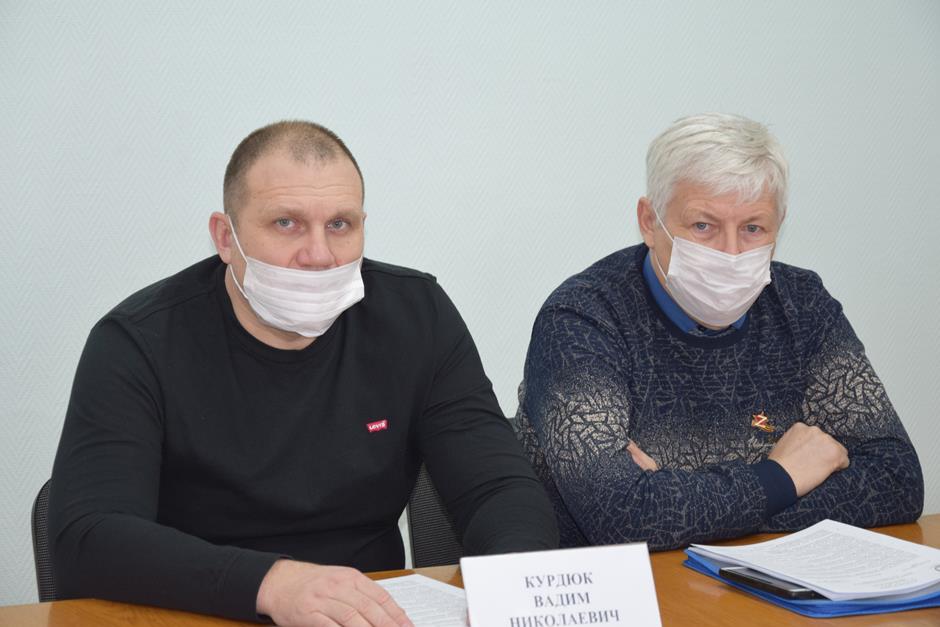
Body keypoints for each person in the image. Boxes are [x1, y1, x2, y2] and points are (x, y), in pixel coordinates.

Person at [50, 120, 558, 626]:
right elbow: (87, 538)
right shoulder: (137, 342)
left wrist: (514, 594)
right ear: (225, 237)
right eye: (286, 223)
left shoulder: (416, 316)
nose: (319, 256)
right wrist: (272, 583)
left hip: (369, 614)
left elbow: (499, 489)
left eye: (339, 225)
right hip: (199, 609)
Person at [515, 113, 923, 551]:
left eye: (753, 228)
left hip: (757, 581)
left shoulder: (803, 305)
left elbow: (897, 481)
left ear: (780, 224)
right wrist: (783, 477)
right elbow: (620, 515)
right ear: (649, 221)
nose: (731, 253)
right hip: (616, 588)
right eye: (703, 226)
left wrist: (680, 501)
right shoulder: (582, 319)